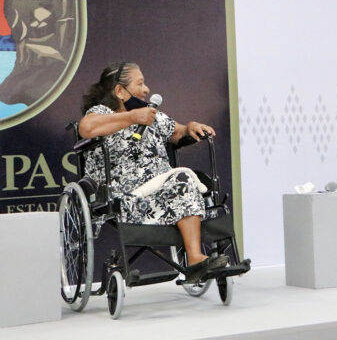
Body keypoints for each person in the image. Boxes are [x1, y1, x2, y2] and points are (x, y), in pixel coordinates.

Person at [78, 61, 227, 281]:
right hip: (127, 195)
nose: (147, 89)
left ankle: (198, 259)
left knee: (185, 181)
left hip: (164, 188)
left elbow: (178, 132)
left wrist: (191, 127)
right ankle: (195, 258)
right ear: (120, 91)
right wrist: (132, 117)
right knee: (183, 178)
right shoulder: (102, 112)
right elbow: (86, 128)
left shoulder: (151, 114)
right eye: (140, 83)